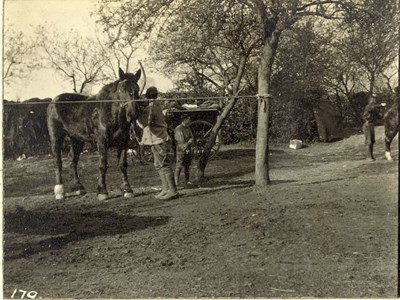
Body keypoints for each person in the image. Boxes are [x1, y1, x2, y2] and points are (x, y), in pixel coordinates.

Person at [141, 86, 179, 200]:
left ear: (148, 96)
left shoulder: (151, 107)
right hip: (155, 139)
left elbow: (144, 123)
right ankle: (165, 188)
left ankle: (173, 191)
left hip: (159, 139)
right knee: (158, 165)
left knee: (164, 164)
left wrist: (138, 114)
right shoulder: (154, 105)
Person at [362, 94, 386, 161]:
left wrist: (381, 109)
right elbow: (372, 108)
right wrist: (381, 105)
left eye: (375, 98)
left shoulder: (374, 108)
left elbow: (378, 116)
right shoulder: (368, 106)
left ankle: (371, 156)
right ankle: (368, 157)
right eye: (373, 98)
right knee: (369, 141)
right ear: (370, 99)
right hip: (367, 125)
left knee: (372, 141)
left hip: (371, 125)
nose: (375, 100)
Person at [174, 114, 194, 186]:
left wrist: (189, 143)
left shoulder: (188, 128)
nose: (190, 120)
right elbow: (180, 140)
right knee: (179, 165)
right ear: (184, 120)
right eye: (188, 119)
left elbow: (192, 137)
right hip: (181, 149)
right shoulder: (178, 129)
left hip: (187, 148)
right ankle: (176, 181)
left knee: (187, 165)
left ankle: (187, 180)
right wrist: (187, 145)